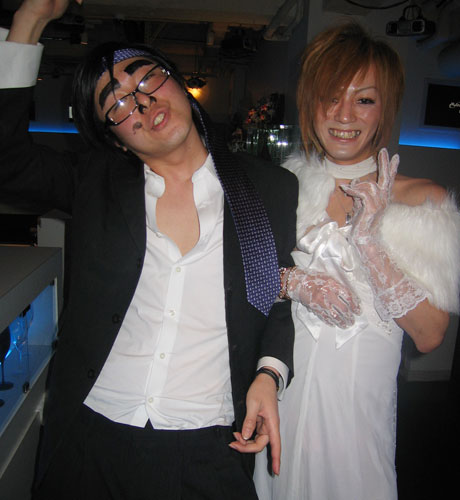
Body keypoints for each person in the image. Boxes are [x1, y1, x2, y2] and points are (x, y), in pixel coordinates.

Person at [0, 0, 302, 498]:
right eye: (115, 103)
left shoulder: (268, 188)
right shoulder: (94, 183)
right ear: (115, 140)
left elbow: (278, 294)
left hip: (209, 443)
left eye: (146, 79)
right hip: (91, 435)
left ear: (179, 82)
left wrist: (270, 373)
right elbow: (6, 161)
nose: (139, 102)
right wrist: (29, 19)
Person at [254, 21, 460, 500]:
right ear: (310, 103)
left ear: (384, 108)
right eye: (331, 97)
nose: (344, 114)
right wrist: (293, 282)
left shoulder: (424, 202)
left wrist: (370, 246)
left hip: (356, 415)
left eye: (364, 99)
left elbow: (430, 335)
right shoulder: (286, 186)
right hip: (281, 394)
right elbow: (245, 279)